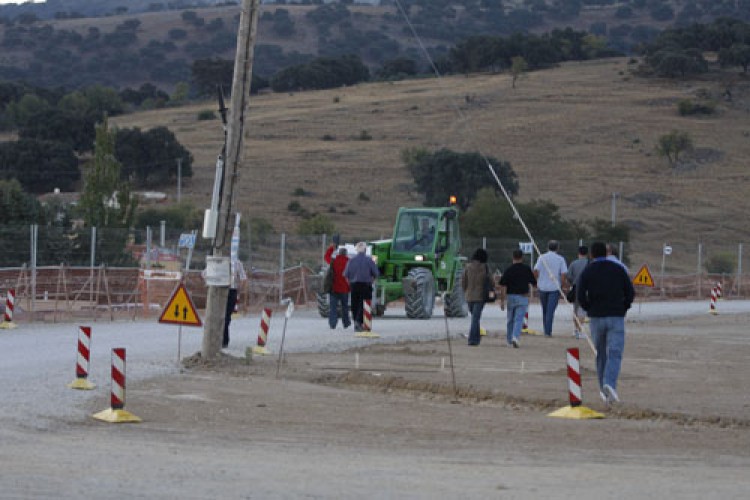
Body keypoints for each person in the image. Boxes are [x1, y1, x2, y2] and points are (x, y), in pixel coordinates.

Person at [577, 241, 635, 405]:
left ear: (592, 255)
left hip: (596, 317)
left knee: (601, 353)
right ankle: (609, 383)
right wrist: (624, 307)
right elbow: (630, 292)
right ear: (607, 254)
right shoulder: (618, 269)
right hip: (615, 316)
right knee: (615, 352)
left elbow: (581, 294)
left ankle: (603, 389)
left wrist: (589, 308)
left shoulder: (588, 270)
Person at [498, 249, 536, 348]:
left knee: (510, 319)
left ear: (513, 257)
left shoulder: (508, 270)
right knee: (519, 319)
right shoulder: (526, 269)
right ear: (522, 257)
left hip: (510, 297)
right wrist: (532, 295)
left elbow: (503, 286)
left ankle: (509, 340)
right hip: (523, 297)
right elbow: (534, 283)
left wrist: (502, 301)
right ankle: (515, 337)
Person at [533, 240, 568, 337]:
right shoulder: (560, 259)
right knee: (550, 310)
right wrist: (562, 285)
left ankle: (546, 330)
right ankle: (547, 331)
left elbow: (535, 271)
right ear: (557, 248)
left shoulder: (542, 257)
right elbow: (563, 274)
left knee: (545, 310)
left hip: (542, 287)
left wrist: (535, 282)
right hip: (554, 288)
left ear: (548, 247)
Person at [344, 242, 379, 332]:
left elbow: (346, 274)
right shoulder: (369, 260)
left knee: (354, 304)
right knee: (363, 305)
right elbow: (376, 273)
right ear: (365, 250)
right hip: (366, 285)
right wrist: (372, 280)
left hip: (354, 285)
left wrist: (350, 284)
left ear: (356, 250)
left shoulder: (351, 260)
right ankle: (359, 322)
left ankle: (356, 321)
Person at [462, 248, 491, 346]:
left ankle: (476, 338)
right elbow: (491, 281)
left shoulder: (467, 267)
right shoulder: (485, 268)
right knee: (475, 318)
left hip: (469, 296)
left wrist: (465, 291)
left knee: (474, 318)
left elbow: (463, 281)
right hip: (480, 297)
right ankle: (473, 339)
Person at [324, 243, 351, 330]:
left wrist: (332, 247)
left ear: (339, 253)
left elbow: (326, 256)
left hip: (334, 289)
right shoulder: (349, 262)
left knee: (333, 307)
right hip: (345, 289)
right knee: (345, 307)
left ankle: (333, 324)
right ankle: (346, 323)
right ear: (346, 253)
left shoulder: (333, 261)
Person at [566, 245, 589, 339]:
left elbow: (569, 276)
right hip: (587, 288)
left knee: (575, 309)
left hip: (576, 287)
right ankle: (580, 330)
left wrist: (572, 283)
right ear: (587, 254)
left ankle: (575, 329)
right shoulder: (590, 263)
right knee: (582, 310)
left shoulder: (573, 263)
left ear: (578, 253)